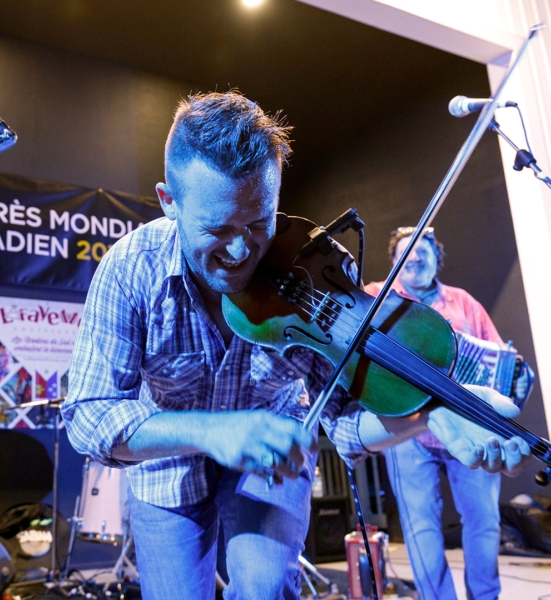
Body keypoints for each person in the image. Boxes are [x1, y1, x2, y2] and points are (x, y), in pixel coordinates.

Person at [61, 91, 530, 600]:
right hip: (166, 468)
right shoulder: (132, 269)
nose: (242, 252)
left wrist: (428, 415)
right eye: (217, 229)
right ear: (169, 202)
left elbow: (347, 423)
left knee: (264, 588)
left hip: (274, 458)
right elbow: (89, 415)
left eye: (259, 223)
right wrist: (210, 432)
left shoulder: (306, 267)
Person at [364, 227, 528, 600]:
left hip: (467, 428)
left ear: (438, 257)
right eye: (406, 253)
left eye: (423, 250)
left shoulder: (464, 302)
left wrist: (506, 369)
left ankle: (484, 596)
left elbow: (499, 357)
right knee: (420, 526)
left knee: (484, 522)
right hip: (405, 430)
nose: (416, 257)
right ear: (393, 263)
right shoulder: (379, 297)